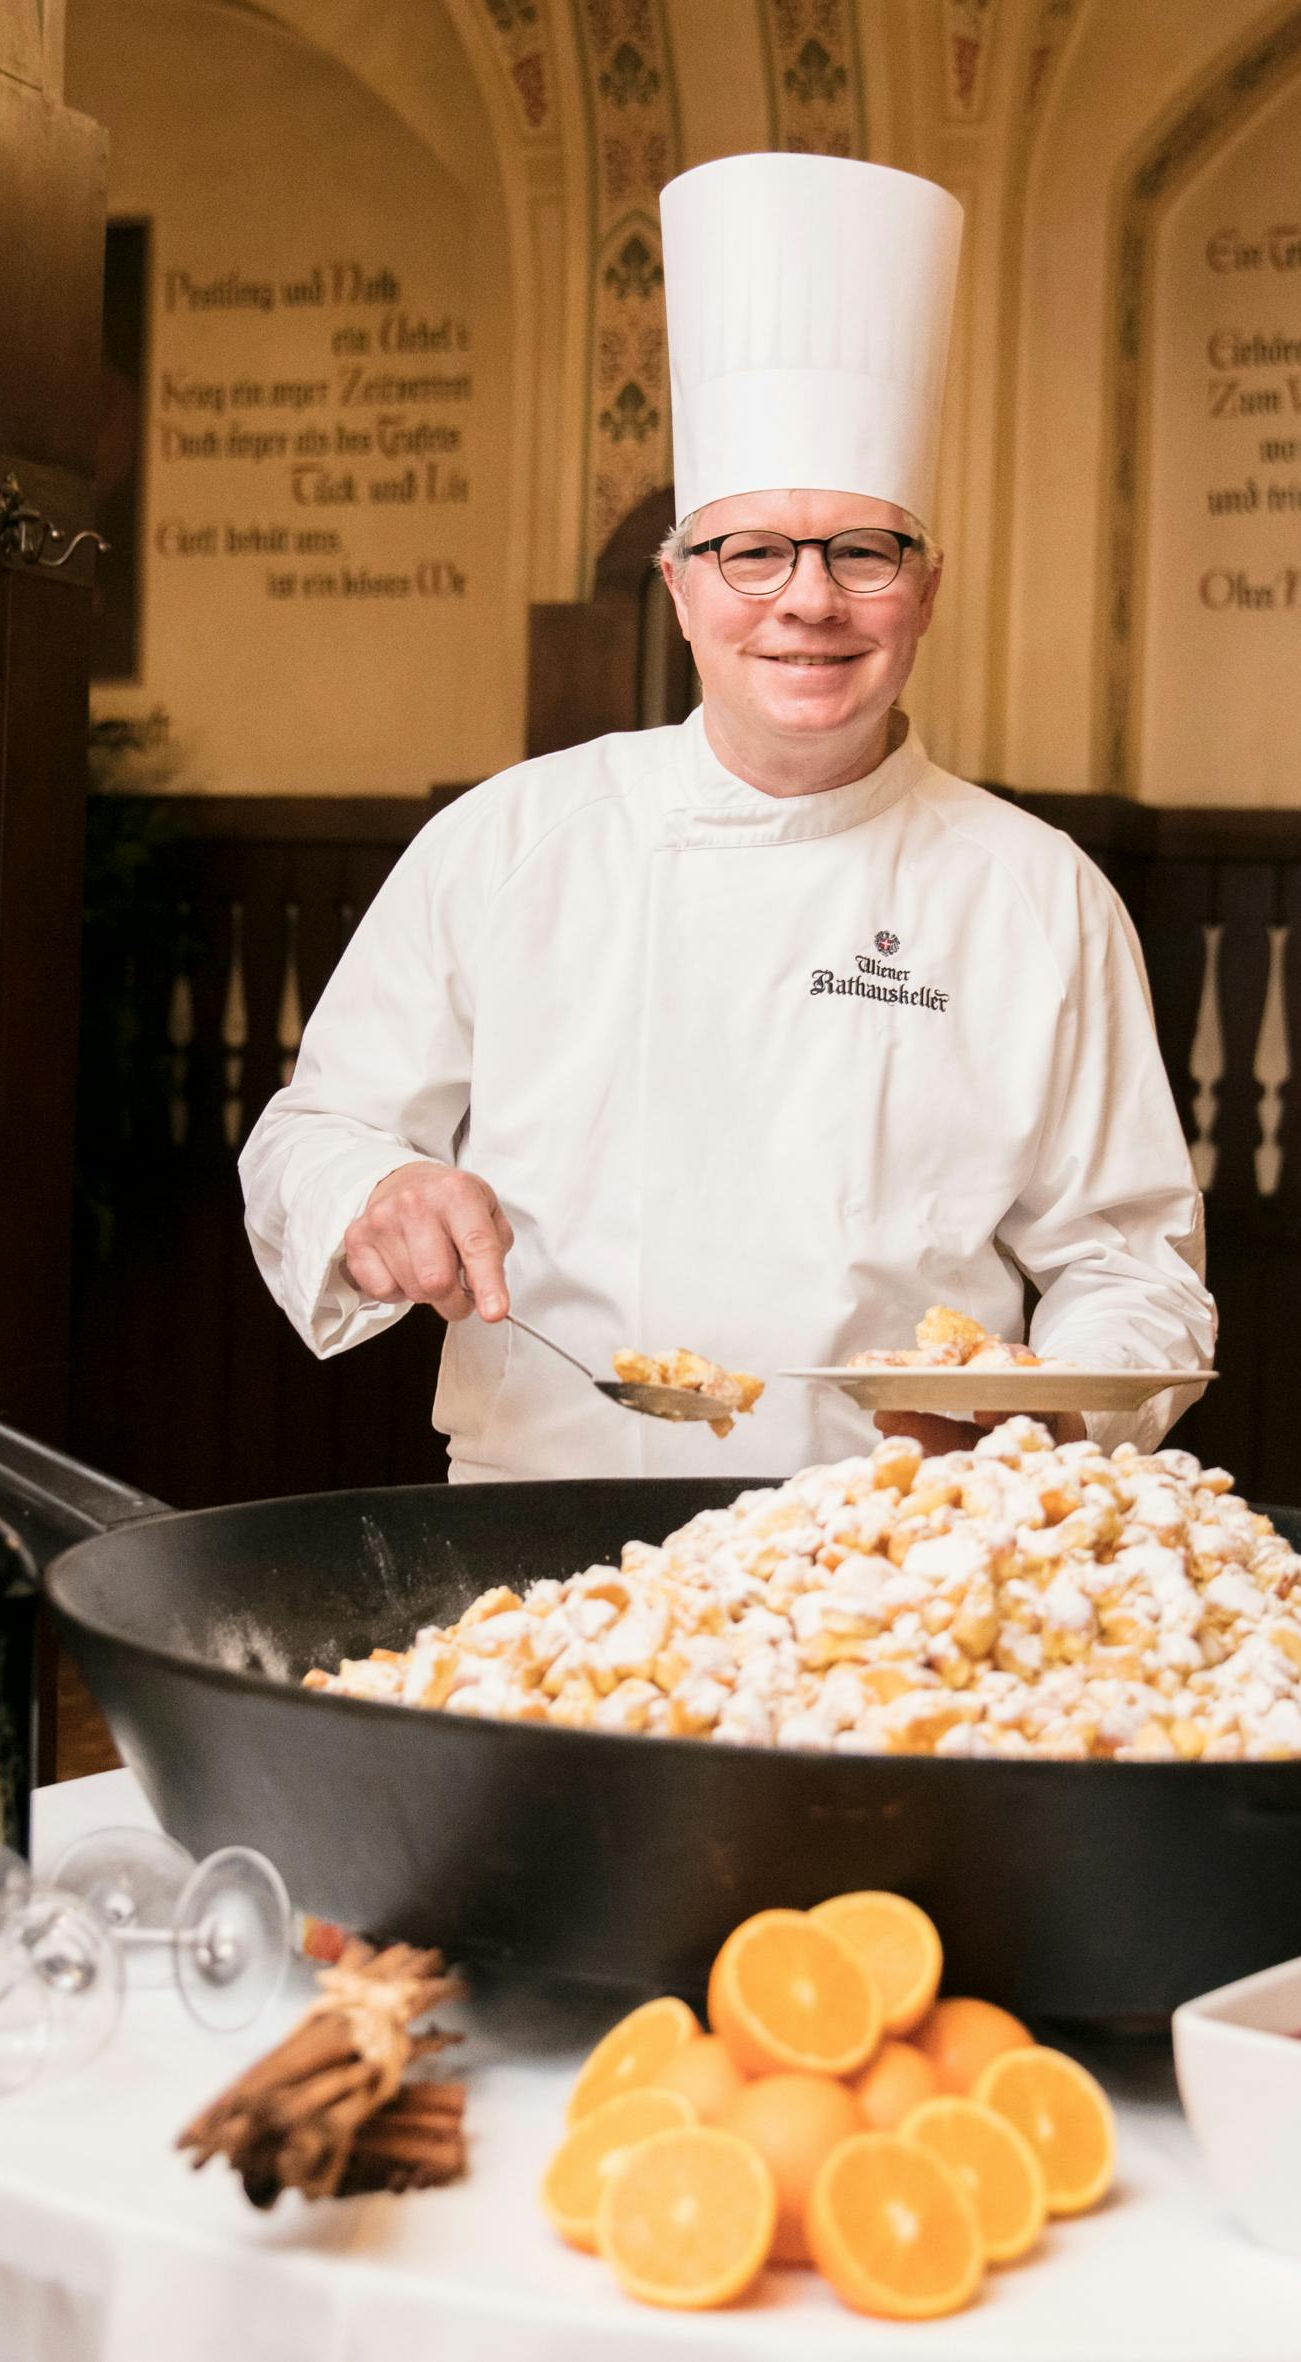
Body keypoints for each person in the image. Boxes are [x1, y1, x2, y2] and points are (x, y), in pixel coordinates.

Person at [240, 152, 1213, 1480]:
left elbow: (1128, 1260)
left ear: (923, 590)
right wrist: (377, 1195)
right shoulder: (508, 842)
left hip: (899, 1548)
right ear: (680, 586)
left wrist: (1045, 1415)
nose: (804, 601)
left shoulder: (1035, 896)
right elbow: (316, 1133)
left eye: (860, 552)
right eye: (750, 552)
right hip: (541, 1530)